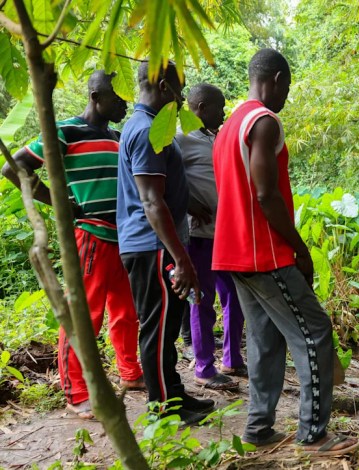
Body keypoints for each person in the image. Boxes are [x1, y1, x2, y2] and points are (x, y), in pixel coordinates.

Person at [212, 48, 359, 455]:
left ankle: (258, 429)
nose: (287, 96)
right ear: (275, 79)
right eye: (288, 86)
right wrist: (299, 248)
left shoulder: (228, 127)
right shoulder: (263, 121)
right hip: (263, 252)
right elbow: (265, 194)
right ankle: (314, 434)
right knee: (314, 333)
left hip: (233, 251)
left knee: (265, 339)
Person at [1, 71, 144, 419]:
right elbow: (13, 167)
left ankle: (130, 372)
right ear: (96, 95)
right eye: (117, 97)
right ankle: (77, 392)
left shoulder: (116, 136)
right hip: (91, 236)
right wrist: (61, 203)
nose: (124, 103)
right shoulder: (65, 130)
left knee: (126, 312)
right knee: (84, 315)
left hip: (122, 236)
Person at [117, 60, 213, 425]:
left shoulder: (152, 128)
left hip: (156, 244)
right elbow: (151, 202)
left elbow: (163, 190)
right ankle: (162, 408)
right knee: (157, 329)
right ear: (162, 88)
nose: (182, 97)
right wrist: (181, 258)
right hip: (151, 246)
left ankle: (173, 393)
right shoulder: (145, 131)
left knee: (168, 326)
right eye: (178, 89)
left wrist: (190, 204)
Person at [175, 83, 245, 391]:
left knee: (235, 296)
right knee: (201, 300)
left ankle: (231, 357)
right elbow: (167, 179)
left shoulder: (216, 137)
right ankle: (204, 367)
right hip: (199, 235)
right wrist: (189, 203)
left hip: (227, 234)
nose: (224, 111)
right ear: (201, 108)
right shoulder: (179, 139)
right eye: (220, 106)